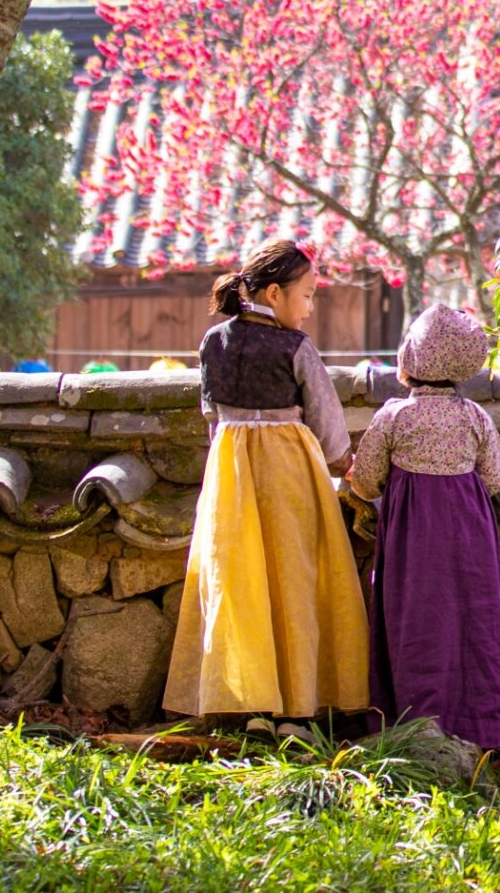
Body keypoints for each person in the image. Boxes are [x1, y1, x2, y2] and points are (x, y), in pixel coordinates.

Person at [162, 239, 371, 723]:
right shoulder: (295, 347)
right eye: (308, 295)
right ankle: (299, 699)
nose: (311, 307)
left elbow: (211, 413)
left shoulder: (213, 343)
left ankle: (241, 697)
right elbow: (326, 417)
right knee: (295, 576)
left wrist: (230, 447)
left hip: (230, 469)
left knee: (239, 578)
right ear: (274, 294)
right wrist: (344, 463)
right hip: (288, 469)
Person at [347, 302, 500, 748]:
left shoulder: (394, 417)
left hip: (411, 541)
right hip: (467, 536)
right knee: (472, 619)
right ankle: (479, 729)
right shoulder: (474, 417)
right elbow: (498, 475)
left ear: (411, 360)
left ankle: (410, 726)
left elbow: (364, 481)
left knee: (416, 620)